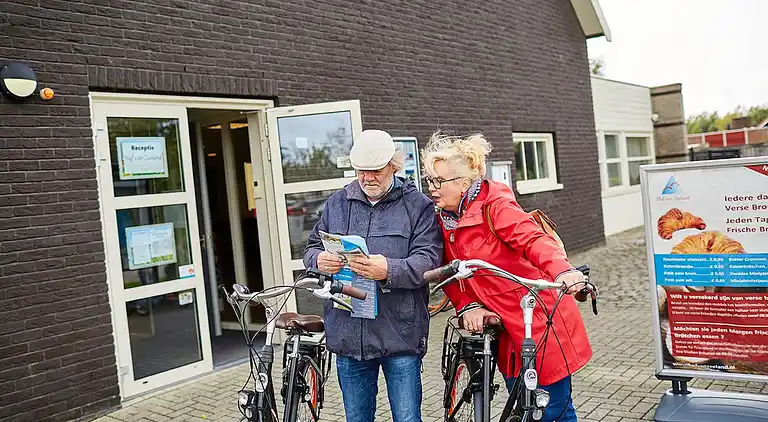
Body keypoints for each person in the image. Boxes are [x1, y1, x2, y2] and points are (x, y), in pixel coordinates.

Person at [420, 131, 592, 422]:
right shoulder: (443, 220)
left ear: (464, 184)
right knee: (522, 407)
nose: (432, 189)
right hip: (503, 328)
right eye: (429, 181)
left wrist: (563, 270)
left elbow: (533, 240)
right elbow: (450, 273)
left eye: (439, 182)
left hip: (536, 320)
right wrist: (468, 306)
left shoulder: (496, 207)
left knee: (552, 410)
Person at [303, 129, 443, 422]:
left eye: (376, 170)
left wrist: (388, 270)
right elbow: (311, 249)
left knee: (407, 419)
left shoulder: (418, 206)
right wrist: (319, 259)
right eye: (360, 171)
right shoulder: (337, 203)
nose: (367, 178)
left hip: (399, 334)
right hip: (348, 333)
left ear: (394, 164)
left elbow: (428, 261)